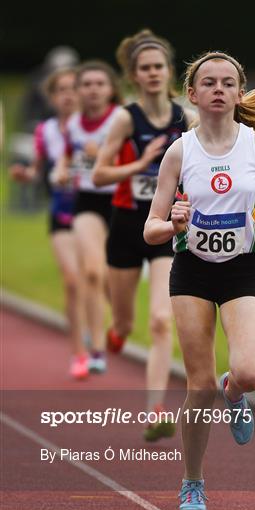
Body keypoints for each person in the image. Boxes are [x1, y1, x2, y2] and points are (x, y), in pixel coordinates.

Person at [144, 51, 255, 510]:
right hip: (190, 269)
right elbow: (150, 227)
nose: (218, 89)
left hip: (240, 269)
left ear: (239, 92)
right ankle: (192, 481)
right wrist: (172, 222)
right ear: (192, 94)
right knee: (199, 385)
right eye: (208, 83)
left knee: (248, 373)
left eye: (227, 83)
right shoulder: (180, 151)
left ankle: (235, 393)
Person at [93, 29, 195, 441]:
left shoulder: (183, 117)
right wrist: (140, 166)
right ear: (133, 75)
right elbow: (100, 173)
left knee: (158, 321)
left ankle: (155, 409)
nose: (153, 73)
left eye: (159, 66)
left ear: (170, 71)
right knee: (126, 320)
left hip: (165, 228)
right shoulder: (124, 118)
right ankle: (115, 330)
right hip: (126, 226)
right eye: (145, 68)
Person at [9, 68, 89, 379]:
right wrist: (24, 175)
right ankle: (78, 352)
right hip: (62, 213)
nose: (68, 95)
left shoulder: (101, 128)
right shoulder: (46, 131)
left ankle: (95, 329)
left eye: (73, 89)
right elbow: (37, 171)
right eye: (61, 91)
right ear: (52, 98)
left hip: (97, 216)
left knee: (96, 279)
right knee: (71, 280)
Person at [55, 60, 123, 375]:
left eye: (100, 84)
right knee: (92, 272)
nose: (93, 90)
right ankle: (96, 349)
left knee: (114, 278)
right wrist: (61, 170)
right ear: (79, 90)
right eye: (87, 84)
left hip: (121, 201)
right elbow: (68, 154)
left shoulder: (121, 119)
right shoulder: (73, 125)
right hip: (87, 201)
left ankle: (118, 323)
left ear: (111, 89)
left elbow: (141, 157)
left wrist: (106, 158)